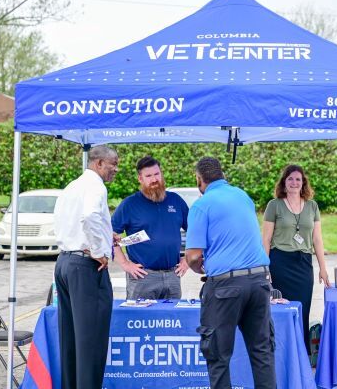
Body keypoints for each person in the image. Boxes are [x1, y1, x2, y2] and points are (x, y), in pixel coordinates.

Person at [185, 157, 276, 389]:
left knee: (218, 357)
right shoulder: (242, 196)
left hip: (225, 287)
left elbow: (194, 256)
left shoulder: (201, 205)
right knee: (262, 353)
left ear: (199, 180)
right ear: (222, 175)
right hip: (259, 281)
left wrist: (200, 268)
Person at [53, 145, 119, 389]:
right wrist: (100, 251)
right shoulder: (96, 186)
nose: (116, 169)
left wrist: (103, 235)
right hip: (85, 266)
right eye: (113, 164)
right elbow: (90, 216)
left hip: (65, 262)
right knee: (91, 342)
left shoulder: (72, 186)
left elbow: (70, 222)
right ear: (99, 163)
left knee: (71, 341)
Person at [262, 164, 330, 356]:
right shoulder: (274, 205)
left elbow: (317, 239)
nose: (294, 182)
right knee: (280, 309)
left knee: (302, 309)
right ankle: (280, 353)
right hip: (279, 263)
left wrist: (323, 268)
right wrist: (264, 268)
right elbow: (266, 239)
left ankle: (300, 355)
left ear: (303, 183)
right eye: (290, 179)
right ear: (284, 182)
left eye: (298, 179)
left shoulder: (312, 206)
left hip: (303, 265)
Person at [111, 156, 190, 299]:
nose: (154, 179)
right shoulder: (129, 204)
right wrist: (125, 264)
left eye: (156, 174)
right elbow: (110, 236)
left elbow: (195, 232)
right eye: (148, 176)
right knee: (140, 320)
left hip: (173, 276)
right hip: (143, 277)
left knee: (171, 320)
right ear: (140, 179)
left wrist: (188, 260)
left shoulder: (176, 201)